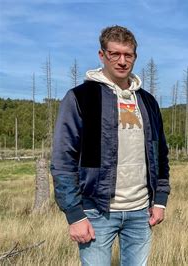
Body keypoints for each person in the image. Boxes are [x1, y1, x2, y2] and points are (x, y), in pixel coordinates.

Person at [51, 25, 170, 265]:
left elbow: (160, 153)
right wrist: (75, 215)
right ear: (102, 55)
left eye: (128, 55)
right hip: (95, 212)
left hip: (140, 212)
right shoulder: (81, 98)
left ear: (135, 57)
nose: (122, 61)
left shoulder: (147, 102)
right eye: (114, 54)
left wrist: (160, 201)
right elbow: (63, 160)